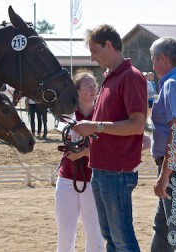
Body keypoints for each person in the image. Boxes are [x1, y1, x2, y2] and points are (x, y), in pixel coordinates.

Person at [72, 24, 147, 252]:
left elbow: (137, 125)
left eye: (95, 50)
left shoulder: (130, 77)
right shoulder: (111, 78)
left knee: (121, 239)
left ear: (109, 45)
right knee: (112, 239)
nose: (92, 57)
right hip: (104, 169)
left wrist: (95, 126)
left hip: (117, 171)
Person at [55, 69, 104, 252]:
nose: (93, 89)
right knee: (65, 230)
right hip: (67, 177)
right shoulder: (67, 116)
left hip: (93, 179)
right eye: (87, 86)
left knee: (94, 230)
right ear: (76, 91)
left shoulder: (101, 117)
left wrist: (84, 152)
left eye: (94, 85)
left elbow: (108, 150)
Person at [149, 37, 176, 252]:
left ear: (162, 58)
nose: (152, 66)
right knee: (164, 229)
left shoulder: (173, 85)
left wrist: (165, 176)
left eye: (153, 59)